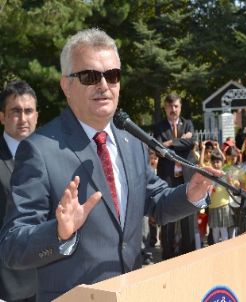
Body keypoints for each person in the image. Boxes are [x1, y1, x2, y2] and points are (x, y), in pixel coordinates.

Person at [0, 29, 214, 302]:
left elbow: (156, 202)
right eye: (90, 76)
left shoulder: (131, 140)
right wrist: (58, 232)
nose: (104, 85)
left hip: (131, 293)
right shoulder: (39, 150)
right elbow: (12, 246)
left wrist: (190, 194)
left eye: (112, 75)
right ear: (66, 85)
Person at [0, 80, 38, 302]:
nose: (23, 119)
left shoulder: (51, 156)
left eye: (28, 111)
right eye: (15, 111)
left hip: (47, 280)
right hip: (7, 287)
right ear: (2, 117)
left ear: (36, 116)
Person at [152, 93, 198, 259]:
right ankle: (168, 256)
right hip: (168, 178)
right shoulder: (159, 127)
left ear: (180, 107)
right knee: (168, 218)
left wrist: (170, 143)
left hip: (186, 177)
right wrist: (179, 142)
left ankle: (189, 254)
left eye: (176, 106)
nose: (173, 109)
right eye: (170, 106)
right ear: (165, 108)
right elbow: (158, 149)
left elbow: (191, 143)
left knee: (188, 217)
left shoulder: (188, 124)